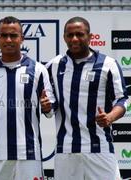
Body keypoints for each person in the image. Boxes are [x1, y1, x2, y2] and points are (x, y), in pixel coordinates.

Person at [0, 16, 55, 180]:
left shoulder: (39, 70)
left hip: (29, 153)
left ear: (22, 38)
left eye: (13, 36)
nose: (8, 40)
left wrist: (48, 106)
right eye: (4, 35)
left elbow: (50, 109)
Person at [46, 16, 128, 180]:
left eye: (79, 34)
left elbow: (122, 99)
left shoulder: (108, 64)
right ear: (64, 38)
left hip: (99, 149)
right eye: (70, 35)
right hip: (66, 150)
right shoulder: (55, 65)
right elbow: (29, 72)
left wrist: (110, 117)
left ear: (90, 37)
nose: (74, 39)